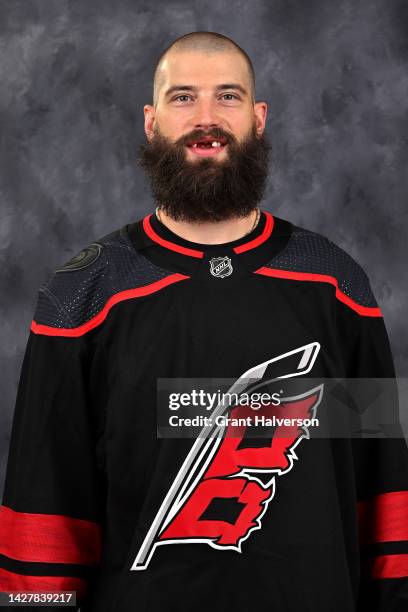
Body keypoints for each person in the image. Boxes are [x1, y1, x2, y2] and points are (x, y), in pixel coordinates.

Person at [0, 30, 407, 612]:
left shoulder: (338, 285)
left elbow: (385, 494)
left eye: (229, 96)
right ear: (151, 120)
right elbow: (45, 508)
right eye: (184, 97)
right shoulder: (80, 295)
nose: (207, 118)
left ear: (259, 117)